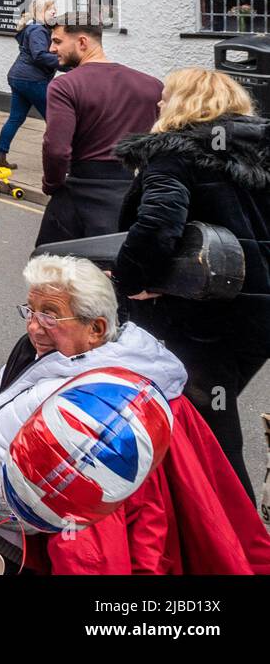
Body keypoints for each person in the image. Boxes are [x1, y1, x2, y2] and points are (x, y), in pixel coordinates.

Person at [0, 255, 270, 575]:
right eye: (30, 310)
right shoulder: (61, 354)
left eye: (50, 316)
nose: (33, 326)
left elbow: (74, 534)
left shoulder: (98, 413)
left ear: (96, 329)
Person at [114, 68, 270, 500]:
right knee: (202, 413)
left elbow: (158, 223)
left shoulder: (176, 151)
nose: (159, 105)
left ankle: (238, 542)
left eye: (165, 97)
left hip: (202, 313)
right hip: (257, 315)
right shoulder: (260, 151)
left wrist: (132, 281)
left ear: (184, 103)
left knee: (207, 426)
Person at [37, 20, 162, 246]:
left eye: (57, 41)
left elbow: (56, 149)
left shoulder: (64, 86)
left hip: (81, 196)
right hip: (134, 197)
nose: (51, 49)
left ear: (82, 42)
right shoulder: (152, 85)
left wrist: (52, 184)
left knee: (55, 275)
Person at [0, 0, 59, 169]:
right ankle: (59, 162)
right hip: (32, 80)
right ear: (40, 13)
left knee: (16, 118)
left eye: (54, 8)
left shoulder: (34, 28)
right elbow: (39, 55)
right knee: (55, 120)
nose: (54, 11)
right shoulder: (38, 30)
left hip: (18, 77)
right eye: (50, 9)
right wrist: (64, 63)